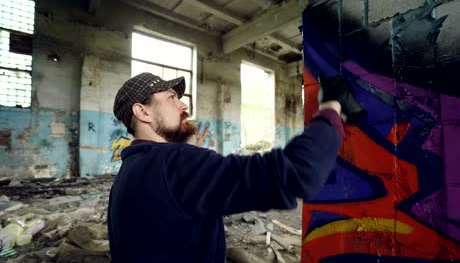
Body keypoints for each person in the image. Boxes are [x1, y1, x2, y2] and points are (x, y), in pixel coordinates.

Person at [108, 72, 345, 263]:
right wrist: (331, 109)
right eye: (171, 98)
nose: (183, 105)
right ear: (142, 111)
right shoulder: (174, 162)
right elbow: (298, 173)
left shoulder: (131, 169)